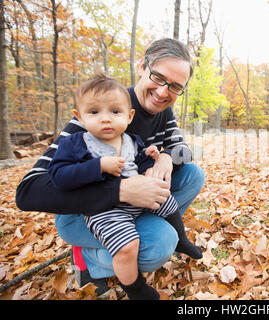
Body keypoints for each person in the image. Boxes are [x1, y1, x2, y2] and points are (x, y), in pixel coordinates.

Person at [15, 38, 205, 297]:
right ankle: (91, 261)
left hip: (131, 205)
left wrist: (167, 157)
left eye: (174, 86)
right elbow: (28, 190)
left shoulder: (163, 111)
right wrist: (119, 191)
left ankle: (144, 232)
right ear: (142, 66)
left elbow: (184, 150)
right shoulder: (105, 107)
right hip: (83, 213)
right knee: (161, 244)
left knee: (193, 174)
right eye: (158, 77)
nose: (163, 92)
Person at [47, 74, 202, 300]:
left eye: (114, 112)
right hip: (103, 210)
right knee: (128, 245)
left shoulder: (129, 139)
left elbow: (140, 162)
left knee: (165, 200)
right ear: (79, 117)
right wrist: (97, 166)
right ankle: (133, 287)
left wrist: (152, 160)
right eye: (94, 112)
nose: (105, 119)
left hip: (135, 200)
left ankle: (182, 240)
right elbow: (58, 176)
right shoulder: (76, 143)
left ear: (129, 117)